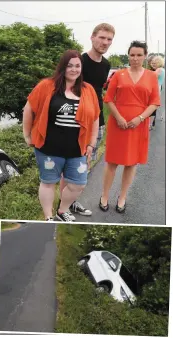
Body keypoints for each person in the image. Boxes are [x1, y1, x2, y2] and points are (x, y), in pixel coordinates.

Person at [23, 50, 100, 222]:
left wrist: (91, 144)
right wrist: (27, 135)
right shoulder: (46, 86)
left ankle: (62, 209)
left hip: (77, 148)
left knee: (78, 183)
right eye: (69, 66)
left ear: (81, 68)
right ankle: (48, 216)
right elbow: (29, 109)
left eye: (77, 66)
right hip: (49, 148)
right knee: (48, 182)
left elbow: (95, 118)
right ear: (62, 68)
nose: (73, 69)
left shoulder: (88, 90)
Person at [59, 23, 115, 220]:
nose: (105, 42)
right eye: (102, 38)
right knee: (72, 164)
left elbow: (99, 92)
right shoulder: (79, 62)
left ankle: (69, 202)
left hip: (97, 121)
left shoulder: (107, 64)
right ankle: (63, 206)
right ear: (92, 37)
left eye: (109, 39)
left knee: (85, 162)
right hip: (75, 122)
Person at [99, 41, 160, 213]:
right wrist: (118, 117)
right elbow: (109, 98)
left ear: (145, 56)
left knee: (131, 163)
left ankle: (122, 197)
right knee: (112, 162)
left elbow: (155, 102)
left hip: (138, 125)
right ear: (128, 56)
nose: (135, 58)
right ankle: (104, 195)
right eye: (132, 55)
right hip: (118, 123)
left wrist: (140, 118)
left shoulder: (151, 76)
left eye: (139, 55)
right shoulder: (119, 74)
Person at [149, 55, 165, 129]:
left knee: (152, 107)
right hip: (158, 89)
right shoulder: (162, 70)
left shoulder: (159, 70)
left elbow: (151, 76)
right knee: (154, 107)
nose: (153, 64)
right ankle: (151, 124)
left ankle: (149, 124)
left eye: (155, 63)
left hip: (154, 89)